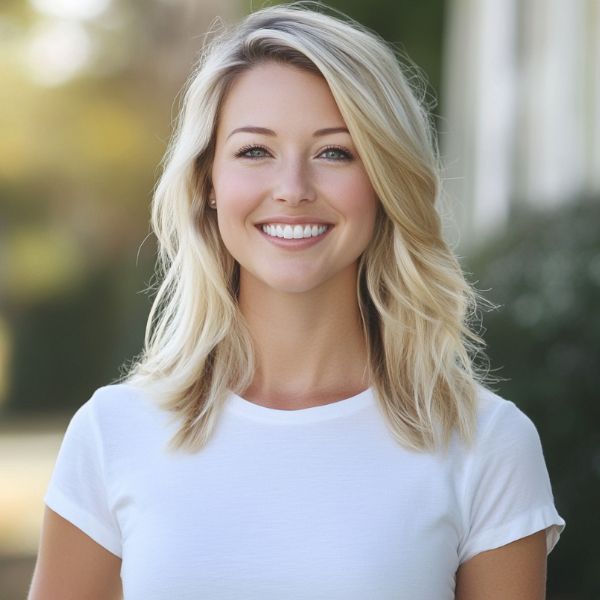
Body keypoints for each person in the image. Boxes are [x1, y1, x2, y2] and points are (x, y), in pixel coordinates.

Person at [28, 4, 565, 599]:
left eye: (335, 152)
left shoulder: (484, 443)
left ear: (384, 180)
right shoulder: (112, 433)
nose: (292, 190)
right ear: (208, 181)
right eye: (255, 151)